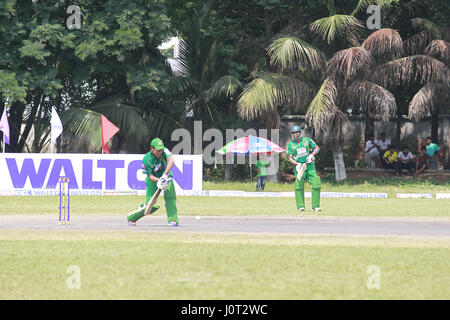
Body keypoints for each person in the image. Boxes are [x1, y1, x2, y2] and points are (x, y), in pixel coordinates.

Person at [127, 138, 179, 227]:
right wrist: (159, 180)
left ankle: (173, 220)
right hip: (153, 180)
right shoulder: (146, 159)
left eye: (161, 149)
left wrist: (164, 174)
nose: (160, 152)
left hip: (165, 176)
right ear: (152, 148)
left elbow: (172, 161)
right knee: (150, 204)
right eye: (158, 150)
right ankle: (132, 217)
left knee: (170, 197)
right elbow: (150, 177)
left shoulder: (164, 150)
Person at [287, 125, 321, 212]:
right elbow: (290, 158)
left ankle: (315, 206)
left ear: (300, 133)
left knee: (316, 182)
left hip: (309, 165)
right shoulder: (290, 144)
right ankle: (300, 206)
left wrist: (312, 155)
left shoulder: (307, 140)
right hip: (299, 167)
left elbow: (317, 148)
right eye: (294, 133)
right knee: (298, 185)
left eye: (297, 132)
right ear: (292, 134)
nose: (296, 134)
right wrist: (297, 163)